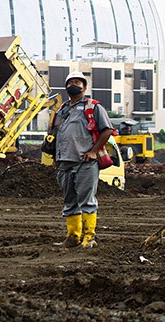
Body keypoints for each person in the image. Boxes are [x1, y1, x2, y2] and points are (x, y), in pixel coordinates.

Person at [52, 71, 114, 248]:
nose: (74, 84)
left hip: (84, 162)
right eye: (71, 82)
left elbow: (107, 130)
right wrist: (56, 157)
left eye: (78, 82)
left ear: (84, 87)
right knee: (69, 201)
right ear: (66, 87)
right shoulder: (61, 110)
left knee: (86, 200)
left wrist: (94, 151)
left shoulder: (93, 107)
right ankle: (73, 237)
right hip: (64, 162)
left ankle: (89, 238)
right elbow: (56, 134)